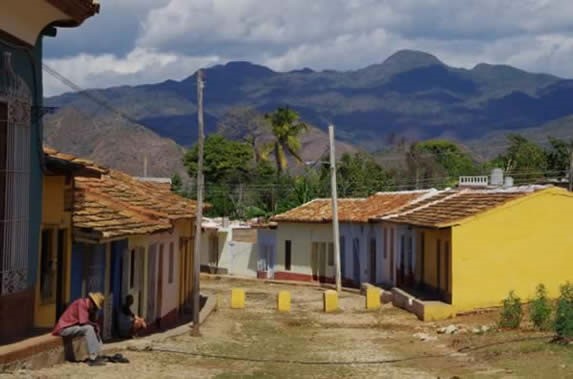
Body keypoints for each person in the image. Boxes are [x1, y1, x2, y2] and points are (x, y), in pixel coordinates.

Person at [53, 292, 106, 366]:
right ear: (92, 302)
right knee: (89, 328)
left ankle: (99, 354)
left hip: (72, 327)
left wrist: (96, 326)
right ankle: (93, 358)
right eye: (95, 307)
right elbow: (83, 322)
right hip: (64, 329)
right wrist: (95, 325)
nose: (95, 309)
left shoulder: (87, 307)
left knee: (94, 328)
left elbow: (88, 322)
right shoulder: (81, 303)